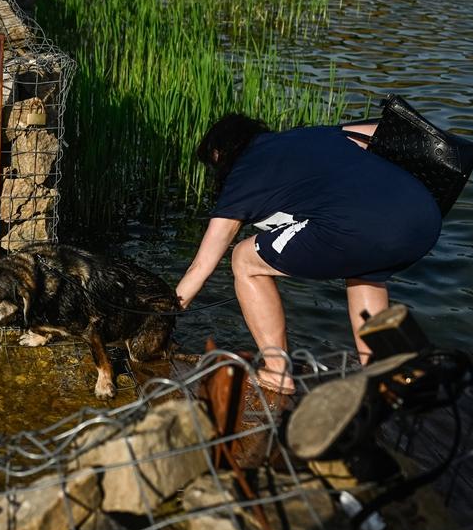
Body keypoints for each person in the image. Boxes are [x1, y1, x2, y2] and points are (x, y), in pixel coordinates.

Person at [175, 114, 442, 393]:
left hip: (360, 229)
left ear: (219, 154)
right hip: (424, 218)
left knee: (244, 259)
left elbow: (202, 266)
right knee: (364, 271)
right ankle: (378, 373)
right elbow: (380, 130)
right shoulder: (311, 134)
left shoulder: (242, 174)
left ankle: (277, 373)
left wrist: (167, 312)